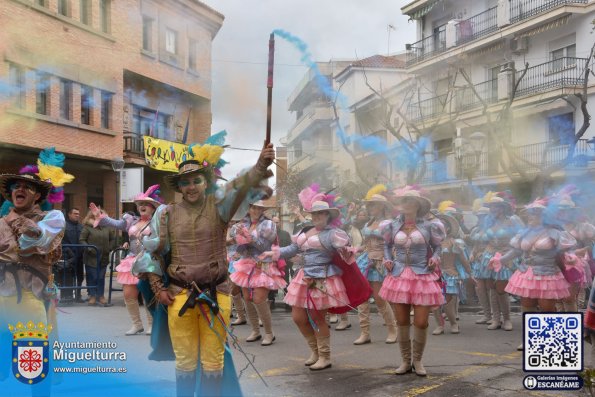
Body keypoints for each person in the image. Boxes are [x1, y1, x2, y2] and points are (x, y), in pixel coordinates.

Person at [136, 136, 275, 397]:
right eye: (185, 182)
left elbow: (240, 188)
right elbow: (151, 253)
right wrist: (158, 288)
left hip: (216, 295)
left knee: (213, 362)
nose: (191, 187)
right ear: (179, 186)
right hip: (179, 297)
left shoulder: (220, 207)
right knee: (185, 362)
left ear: (206, 182)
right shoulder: (165, 213)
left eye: (196, 180)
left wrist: (259, 165)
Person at [0, 147, 73, 389]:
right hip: (2, 296)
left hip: (31, 297)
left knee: (34, 366)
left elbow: (34, 243)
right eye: (16, 187)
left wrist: (25, 228)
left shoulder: (50, 219)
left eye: (28, 187)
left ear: (38, 197)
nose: (19, 190)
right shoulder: (0, 222)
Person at [261, 187, 355, 371]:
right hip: (303, 277)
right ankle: (315, 351)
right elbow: (292, 249)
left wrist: (347, 251)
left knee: (318, 318)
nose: (317, 216)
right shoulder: (305, 231)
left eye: (321, 213)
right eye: (314, 213)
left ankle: (325, 356)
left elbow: (347, 249)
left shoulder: (333, 233)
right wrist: (274, 254)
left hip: (322, 277)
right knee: (297, 317)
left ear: (328, 215)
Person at [491, 197, 575, 350]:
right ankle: (530, 339)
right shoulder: (525, 232)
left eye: (535, 214)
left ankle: (551, 341)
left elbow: (567, 250)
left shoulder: (555, 233)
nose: (530, 217)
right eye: (530, 214)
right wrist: (500, 260)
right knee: (527, 305)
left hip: (548, 275)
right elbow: (516, 250)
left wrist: (571, 258)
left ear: (544, 217)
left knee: (546, 307)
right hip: (526, 273)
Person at [379, 185, 445, 376]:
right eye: (403, 201)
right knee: (401, 321)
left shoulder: (430, 226)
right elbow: (387, 245)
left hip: (422, 275)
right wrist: (388, 259)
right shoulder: (391, 225)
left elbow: (438, 247)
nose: (406, 204)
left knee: (422, 322)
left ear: (418, 205)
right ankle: (405, 361)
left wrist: (435, 258)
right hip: (399, 275)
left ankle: (418, 361)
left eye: (410, 201)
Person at [89, 185, 164, 335]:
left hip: (149, 261)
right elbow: (116, 224)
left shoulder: (157, 222)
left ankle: (152, 324)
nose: (142, 206)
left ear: (152, 208)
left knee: (147, 293)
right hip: (131, 261)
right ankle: (137, 324)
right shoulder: (131, 221)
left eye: (146, 204)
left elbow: (162, 241)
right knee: (129, 294)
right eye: (140, 204)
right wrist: (101, 217)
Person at [229, 200, 286, 346]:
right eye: (253, 208)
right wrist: (239, 240)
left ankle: (269, 333)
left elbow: (264, 247)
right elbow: (239, 248)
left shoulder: (268, 225)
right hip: (246, 264)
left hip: (263, 264)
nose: (256, 211)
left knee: (259, 299)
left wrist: (250, 237)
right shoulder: (243, 224)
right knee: (247, 298)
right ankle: (255, 330)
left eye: (259, 208)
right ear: (249, 209)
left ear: (263, 210)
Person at [353, 185, 397, 345]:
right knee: (362, 299)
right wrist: (356, 249)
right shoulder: (367, 224)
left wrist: (389, 259)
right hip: (365, 261)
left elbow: (392, 245)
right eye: (369, 204)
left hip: (380, 262)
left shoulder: (389, 223)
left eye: (373, 204)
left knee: (379, 299)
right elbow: (366, 244)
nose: (370, 207)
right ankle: (365, 333)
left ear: (382, 206)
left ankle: (393, 330)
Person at [481, 191, 524, 331]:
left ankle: (507, 319)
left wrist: (510, 252)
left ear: (503, 208)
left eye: (496, 207)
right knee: (492, 288)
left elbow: (521, 237)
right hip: (489, 256)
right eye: (491, 207)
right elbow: (484, 239)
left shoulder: (512, 220)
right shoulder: (488, 221)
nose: (493, 209)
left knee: (501, 289)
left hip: (505, 257)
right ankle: (495, 319)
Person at [432, 213, 473, 335]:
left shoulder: (454, 242)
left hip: (450, 275)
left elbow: (463, 260)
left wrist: (470, 274)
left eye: (442, 225)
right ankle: (440, 325)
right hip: (434, 276)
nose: (438, 228)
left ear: (448, 228)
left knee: (448, 302)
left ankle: (454, 323)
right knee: (435, 302)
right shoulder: (431, 243)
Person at [79, 207, 116, 307]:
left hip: (103, 256)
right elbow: (82, 239)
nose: (99, 215)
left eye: (101, 213)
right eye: (97, 214)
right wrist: (89, 249)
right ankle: (92, 296)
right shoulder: (88, 227)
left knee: (101, 277)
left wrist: (109, 248)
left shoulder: (107, 227)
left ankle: (101, 296)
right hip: (91, 257)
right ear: (92, 215)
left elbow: (112, 239)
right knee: (92, 276)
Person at [469, 205, 492, 324]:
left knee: (490, 288)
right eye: (479, 216)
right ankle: (486, 314)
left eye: (483, 216)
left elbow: (496, 244)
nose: (481, 218)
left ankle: (495, 315)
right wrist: (472, 253)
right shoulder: (476, 230)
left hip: (489, 260)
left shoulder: (493, 229)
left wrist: (485, 254)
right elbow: (475, 244)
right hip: (478, 261)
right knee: (479, 288)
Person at [59, 207, 83, 302]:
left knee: (79, 277)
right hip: (68, 256)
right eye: (75, 213)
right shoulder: (64, 226)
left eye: (78, 214)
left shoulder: (81, 227)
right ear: (69, 214)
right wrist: (69, 251)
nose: (77, 215)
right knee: (67, 276)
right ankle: (66, 296)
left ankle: (78, 295)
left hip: (79, 256)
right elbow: (62, 240)